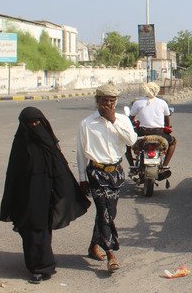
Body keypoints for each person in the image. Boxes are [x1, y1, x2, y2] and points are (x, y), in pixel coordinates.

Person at [1, 107, 90, 284]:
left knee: (41, 230)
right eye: (30, 124)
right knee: (31, 230)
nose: (34, 126)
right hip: (26, 197)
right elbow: (13, 175)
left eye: (37, 122)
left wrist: (66, 191)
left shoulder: (49, 142)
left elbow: (60, 169)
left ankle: (41, 267)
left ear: (43, 123)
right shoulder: (20, 145)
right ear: (23, 126)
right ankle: (37, 266)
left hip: (46, 195)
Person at [76, 83, 138, 272]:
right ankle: (111, 254)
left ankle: (93, 246)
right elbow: (81, 153)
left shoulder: (122, 120)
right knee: (104, 213)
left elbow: (132, 141)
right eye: (104, 101)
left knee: (109, 213)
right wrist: (82, 178)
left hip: (116, 172)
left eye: (112, 101)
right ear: (98, 101)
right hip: (96, 173)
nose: (108, 104)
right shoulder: (87, 123)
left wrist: (113, 121)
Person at [125, 82, 176, 177]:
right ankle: (164, 166)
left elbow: (130, 119)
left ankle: (132, 167)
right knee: (173, 142)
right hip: (159, 134)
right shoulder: (162, 102)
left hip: (143, 132)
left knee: (127, 142)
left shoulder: (138, 102)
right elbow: (167, 120)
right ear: (156, 90)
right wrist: (168, 127)